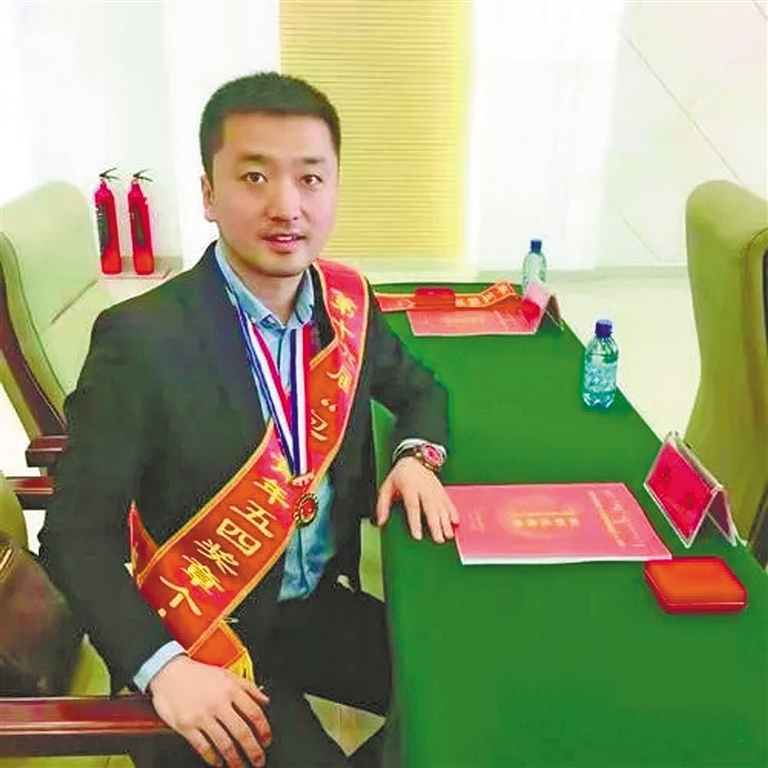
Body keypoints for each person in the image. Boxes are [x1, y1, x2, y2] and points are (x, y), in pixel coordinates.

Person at [39, 71, 459, 768]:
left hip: (311, 607)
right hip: (201, 628)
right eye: (255, 177)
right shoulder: (140, 342)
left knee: (465, 691)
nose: (286, 206)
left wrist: (416, 458)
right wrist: (162, 669)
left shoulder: (346, 304)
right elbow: (74, 536)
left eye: (310, 178)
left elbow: (421, 391)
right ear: (209, 194)